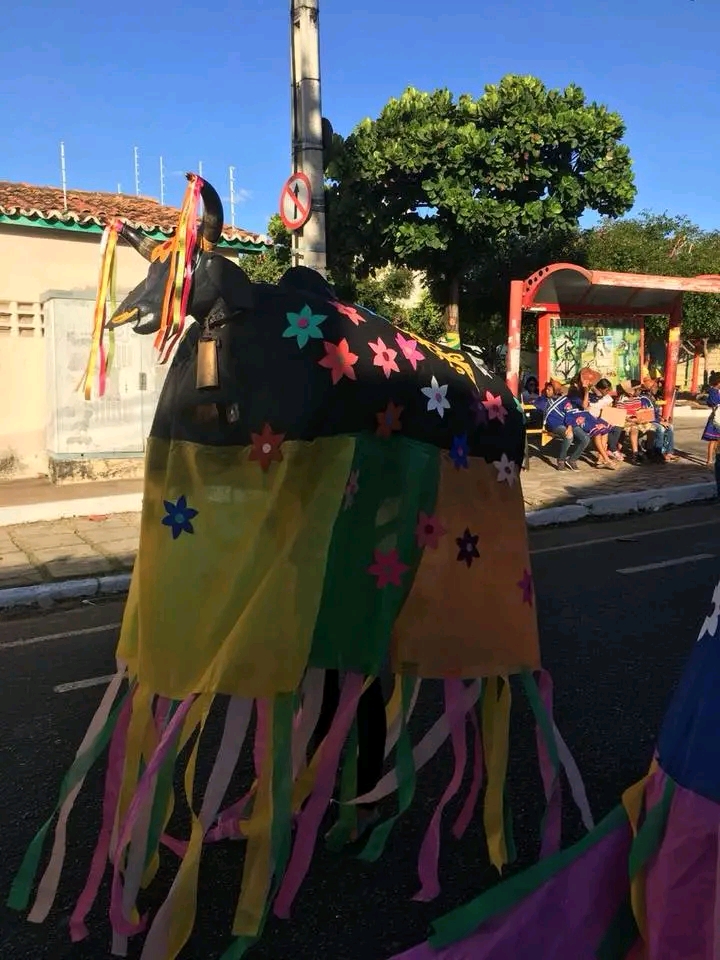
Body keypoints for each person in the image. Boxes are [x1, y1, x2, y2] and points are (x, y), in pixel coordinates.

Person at [541, 385, 590, 470]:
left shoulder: (565, 400)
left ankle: (572, 459)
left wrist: (570, 426)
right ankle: (561, 460)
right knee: (569, 436)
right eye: (546, 389)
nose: (546, 391)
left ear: (555, 391)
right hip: (555, 424)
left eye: (549, 390)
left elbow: (569, 414)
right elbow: (537, 404)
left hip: (568, 423)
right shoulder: (544, 400)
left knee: (586, 438)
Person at [639, 378, 678, 462]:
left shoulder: (653, 397)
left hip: (654, 419)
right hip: (647, 421)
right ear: (649, 389)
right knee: (660, 428)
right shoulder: (644, 398)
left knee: (670, 427)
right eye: (655, 387)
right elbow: (646, 415)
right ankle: (658, 452)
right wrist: (659, 421)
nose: (656, 389)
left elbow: (655, 413)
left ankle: (668, 451)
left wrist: (661, 418)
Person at [588, 378, 624, 461]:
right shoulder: (591, 397)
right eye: (606, 390)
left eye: (609, 390)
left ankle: (611, 449)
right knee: (605, 429)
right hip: (593, 419)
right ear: (599, 389)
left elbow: (609, 410)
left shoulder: (608, 398)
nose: (607, 392)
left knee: (618, 427)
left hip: (604, 418)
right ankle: (613, 449)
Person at [701, 371, 720, 466]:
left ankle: (715, 459)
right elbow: (712, 402)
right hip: (715, 417)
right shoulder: (713, 391)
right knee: (713, 440)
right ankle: (709, 460)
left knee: (717, 440)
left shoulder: (716, 391)